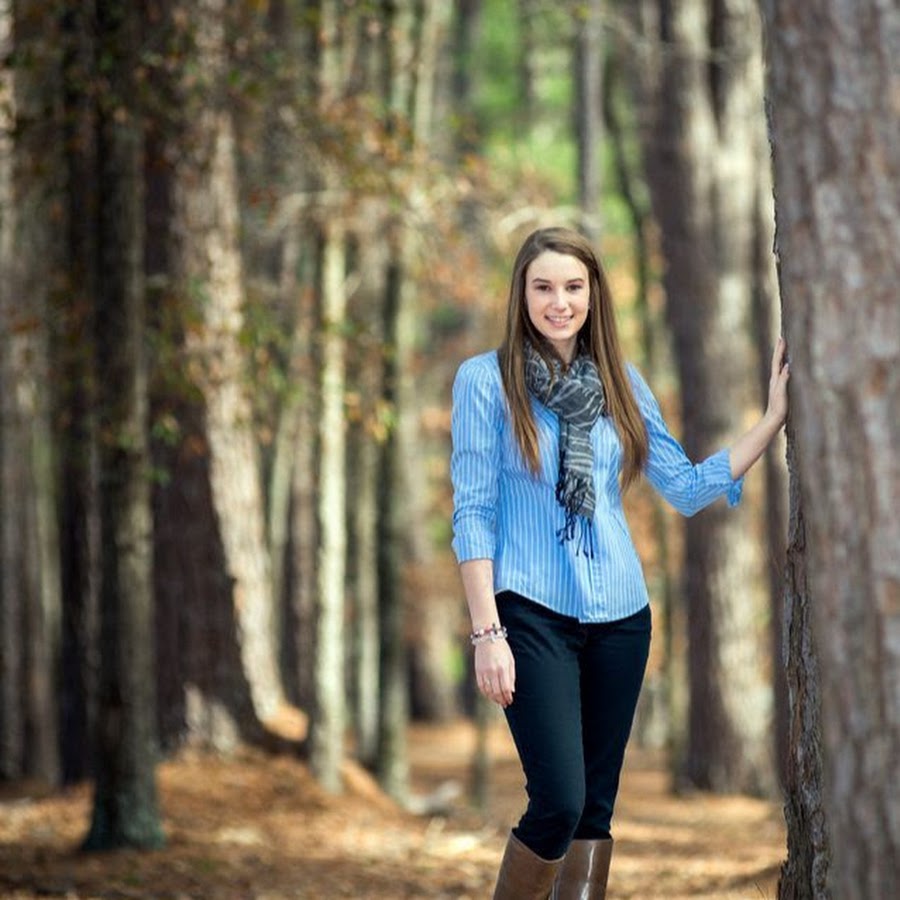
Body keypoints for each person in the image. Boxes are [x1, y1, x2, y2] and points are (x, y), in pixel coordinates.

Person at [449, 227, 789, 900]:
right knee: (558, 802)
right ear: (521, 294)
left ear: (593, 295)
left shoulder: (621, 384)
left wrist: (773, 418)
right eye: (543, 287)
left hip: (621, 618)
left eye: (573, 287)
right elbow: (472, 512)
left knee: (595, 812)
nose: (559, 302)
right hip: (529, 612)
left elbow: (687, 489)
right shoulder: (485, 381)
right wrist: (487, 632)